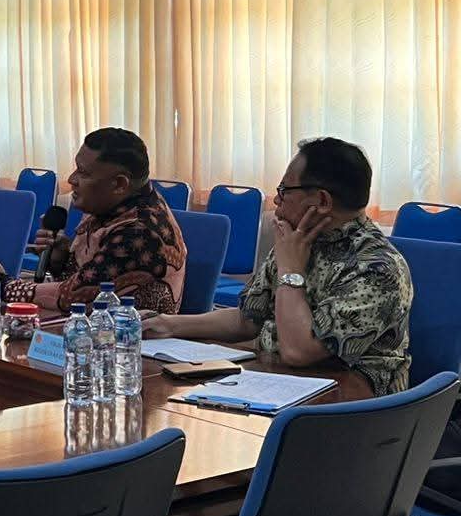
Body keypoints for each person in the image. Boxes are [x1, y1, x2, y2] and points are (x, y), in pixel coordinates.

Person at [147, 137, 412, 396]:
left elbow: (299, 352)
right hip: (278, 382)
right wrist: (169, 324)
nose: (276, 200)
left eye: (285, 190)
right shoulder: (299, 240)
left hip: (352, 404)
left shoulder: (378, 268)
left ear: (322, 201)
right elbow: (247, 319)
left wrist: (291, 272)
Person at [0, 128, 187, 314]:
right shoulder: (110, 206)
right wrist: (60, 260)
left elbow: (75, 297)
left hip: (125, 336)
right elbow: (83, 280)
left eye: (83, 172)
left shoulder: (140, 232)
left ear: (119, 184)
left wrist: (2, 283)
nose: (72, 179)